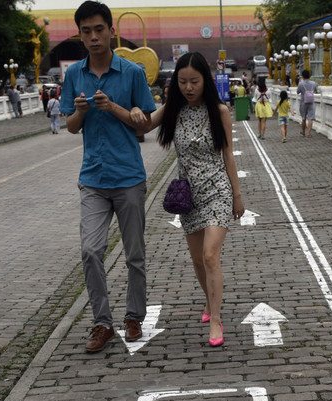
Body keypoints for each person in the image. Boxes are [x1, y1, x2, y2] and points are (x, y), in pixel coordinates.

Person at [61, 0, 156, 353]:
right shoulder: (74, 75)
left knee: (134, 254)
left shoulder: (131, 72)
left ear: (111, 31)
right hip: (93, 179)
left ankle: (134, 317)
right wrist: (81, 112)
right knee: (90, 251)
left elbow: (144, 123)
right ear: (80, 36)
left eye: (99, 29)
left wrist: (114, 107)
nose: (93, 37)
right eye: (86, 31)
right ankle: (102, 323)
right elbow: (72, 126)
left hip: (128, 176)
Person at [140, 52, 244, 347]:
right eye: (183, 81)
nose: (188, 87)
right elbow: (143, 126)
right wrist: (121, 107)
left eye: (194, 81)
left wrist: (237, 195)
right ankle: (209, 300)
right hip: (188, 196)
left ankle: (216, 319)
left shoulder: (219, 112)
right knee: (198, 260)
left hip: (217, 191)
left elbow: (228, 155)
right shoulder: (173, 110)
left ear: (205, 81)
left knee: (210, 255)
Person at [296, 68, 317, 137]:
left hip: (303, 102)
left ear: (302, 76)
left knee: (303, 118)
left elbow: (297, 92)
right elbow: (316, 90)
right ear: (309, 76)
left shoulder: (301, 84)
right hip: (311, 102)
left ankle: (303, 132)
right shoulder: (313, 83)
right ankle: (309, 133)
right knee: (310, 118)